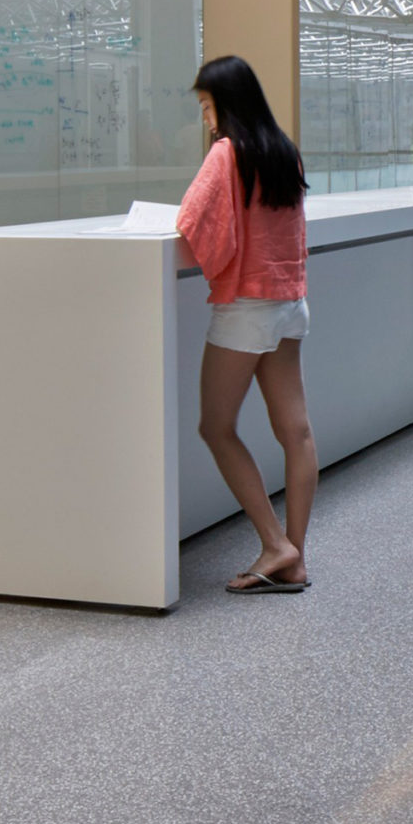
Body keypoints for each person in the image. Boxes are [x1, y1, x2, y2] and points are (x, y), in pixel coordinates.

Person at [176, 55, 316, 594]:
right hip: (290, 303)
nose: (208, 118)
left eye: (208, 106)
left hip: (245, 308)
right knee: (296, 432)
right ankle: (295, 560)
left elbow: (193, 220)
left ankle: (274, 543)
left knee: (216, 426)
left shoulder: (227, 153)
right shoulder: (284, 151)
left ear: (227, 103)